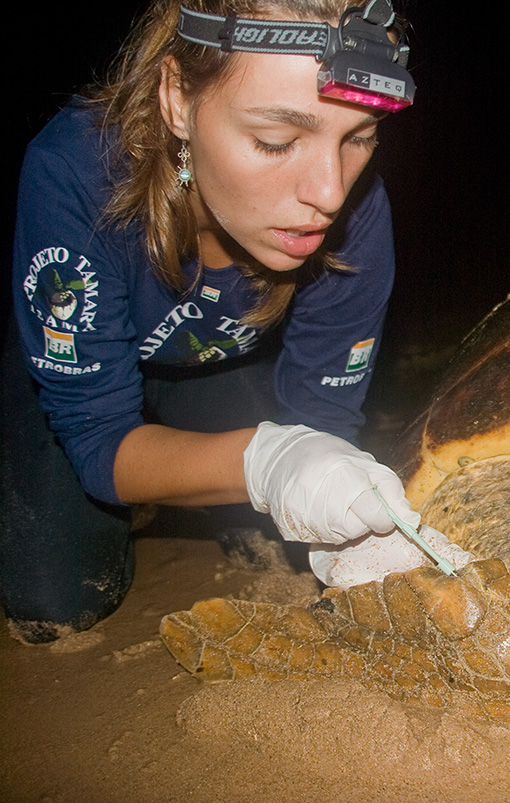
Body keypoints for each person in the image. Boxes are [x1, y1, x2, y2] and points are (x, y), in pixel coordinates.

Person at [1, 0, 428, 644]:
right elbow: (94, 435)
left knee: (291, 529)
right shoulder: (75, 171)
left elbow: (322, 416)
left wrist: (313, 468)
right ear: (177, 98)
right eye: (276, 141)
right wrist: (264, 465)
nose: (330, 192)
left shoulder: (358, 210)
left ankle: (182, 473)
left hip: (211, 364)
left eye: (360, 136)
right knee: (54, 601)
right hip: (76, 375)